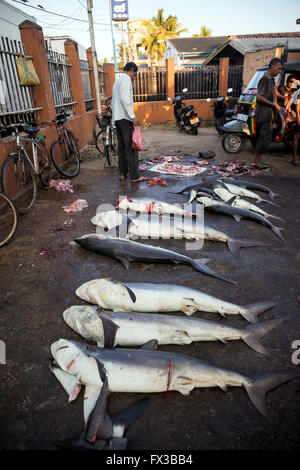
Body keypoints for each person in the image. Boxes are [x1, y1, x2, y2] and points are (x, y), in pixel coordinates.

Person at [111, 62, 145, 182]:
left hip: (117, 118)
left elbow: (114, 101)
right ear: (131, 70)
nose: (133, 77)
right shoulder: (126, 80)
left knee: (121, 147)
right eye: (134, 74)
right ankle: (135, 176)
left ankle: (122, 173)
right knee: (130, 147)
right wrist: (133, 116)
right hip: (125, 118)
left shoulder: (118, 81)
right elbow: (125, 100)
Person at [254, 58, 284, 166]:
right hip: (263, 114)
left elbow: (274, 92)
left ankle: (259, 159)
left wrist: (283, 98)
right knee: (263, 138)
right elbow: (259, 97)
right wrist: (273, 105)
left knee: (266, 138)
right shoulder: (264, 79)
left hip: (269, 115)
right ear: (273, 67)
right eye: (279, 68)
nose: (279, 71)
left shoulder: (271, 79)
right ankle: (257, 161)